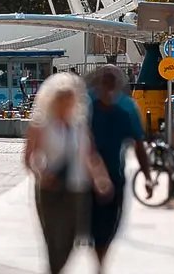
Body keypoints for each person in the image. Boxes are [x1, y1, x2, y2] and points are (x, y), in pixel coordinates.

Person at [24, 72, 110, 274]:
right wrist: (41, 173)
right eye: (62, 100)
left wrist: (100, 178)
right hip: (50, 188)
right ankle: (54, 270)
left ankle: (56, 269)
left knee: (73, 238)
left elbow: (90, 155)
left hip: (77, 187)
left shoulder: (80, 126)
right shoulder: (40, 125)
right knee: (54, 238)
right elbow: (29, 158)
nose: (67, 104)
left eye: (70, 100)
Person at [86, 66, 149, 272]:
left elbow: (139, 144)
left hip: (115, 175)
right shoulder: (86, 105)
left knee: (112, 221)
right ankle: (99, 261)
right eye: (105, 79)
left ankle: (101, 259)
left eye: (112, 80)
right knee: (93, 223)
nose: (108, 83)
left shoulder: (127, 108)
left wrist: (147, 177)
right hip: (86, 176)